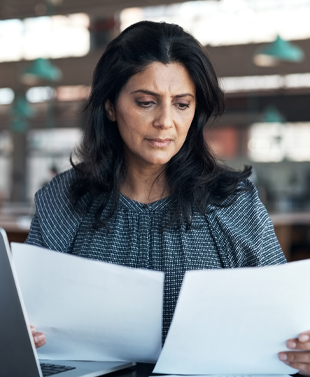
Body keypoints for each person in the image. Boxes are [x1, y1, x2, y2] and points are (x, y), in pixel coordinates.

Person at [26, 21, 310, 374]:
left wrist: (302, 349)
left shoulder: (233, 203)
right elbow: (26, 321)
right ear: (111, 106)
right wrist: (23, 336)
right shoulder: (63, 200)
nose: (165, 121)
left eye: (181, 104)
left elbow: (286, 325)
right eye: (146, 102)